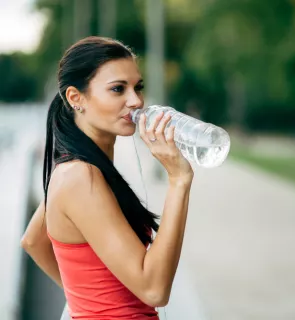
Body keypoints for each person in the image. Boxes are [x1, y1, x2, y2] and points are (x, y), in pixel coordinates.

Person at [20, 36, 193, 319]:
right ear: (76, 98)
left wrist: (90, 298)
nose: (135, 101)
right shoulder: (80, 177)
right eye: (118, 89)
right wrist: (179, 180)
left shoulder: (82, 165)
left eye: (138, 87)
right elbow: (154, 290)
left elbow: (33, 240)